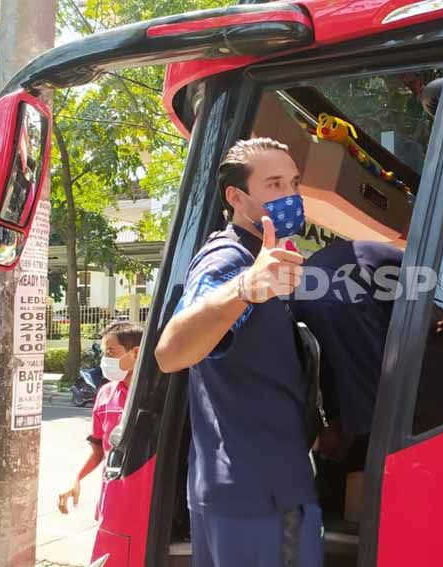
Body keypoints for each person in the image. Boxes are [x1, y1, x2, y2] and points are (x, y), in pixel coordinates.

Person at [155, 137, 321, 567]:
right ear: (236, 197)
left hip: (257, 489)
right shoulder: (229, 260)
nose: (290, 196)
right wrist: (246, 288)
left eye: (294, 183)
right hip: (258, 496)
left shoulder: (264, 259)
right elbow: (171, 353)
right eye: (274, 184)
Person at [293, 239, 403, 520]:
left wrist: (344, 426)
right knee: (369, 422)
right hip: (343, 299)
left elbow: (352, 383)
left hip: (329, 292)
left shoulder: (333, 297)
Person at [57, 322, 143, 518]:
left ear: (136, 353)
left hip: (147, 498)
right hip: (112, 495)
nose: (105, 359)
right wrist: (76, 479)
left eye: (111, 352)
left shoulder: (157, 394)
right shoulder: (105, 394)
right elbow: (98, 449)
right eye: (104, 352)